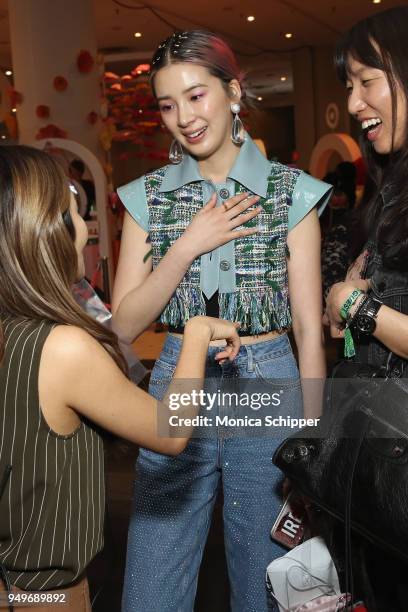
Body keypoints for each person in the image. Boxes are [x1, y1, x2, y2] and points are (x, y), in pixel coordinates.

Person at [112, 30, 331, 612]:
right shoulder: (148, 196)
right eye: (166, 104)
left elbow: (310, 328)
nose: (183, 117)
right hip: (178, 379)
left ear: (233, 92)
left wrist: (311, 437)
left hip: (266, 380)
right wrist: (184, 246)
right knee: (152, 579)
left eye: (196, 96)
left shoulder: (290, 192)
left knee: (265, 576)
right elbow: (122, 326)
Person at [0, 145, 240, 612]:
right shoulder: (62, 348)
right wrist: (196, 334)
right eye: (75, 218)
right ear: (45, 232)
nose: (86, 236)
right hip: (43, 596)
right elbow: (169, 432)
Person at [323, 6, 408, 608]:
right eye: (348, 85)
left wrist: (359, 306)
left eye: (367, 80)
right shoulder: (392, 185)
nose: (354, 103)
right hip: (380, 459)